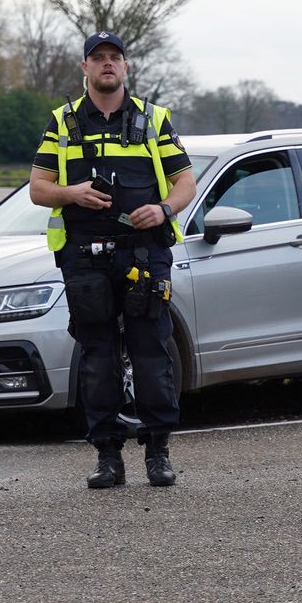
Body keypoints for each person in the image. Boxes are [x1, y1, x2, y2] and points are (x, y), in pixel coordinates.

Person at [30, 33, 198, 490]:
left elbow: (186, 182)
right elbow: (38, 187)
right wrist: (72, 194)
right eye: (98, 58)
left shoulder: (153, 119)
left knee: (151, 355)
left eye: (115, 58)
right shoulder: (63, 122)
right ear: (84, 67)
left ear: (126, 67)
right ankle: (108, 457)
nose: (107, 65)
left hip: (144, 254)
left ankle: (158, 452)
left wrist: (164, 209)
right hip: (84, 258)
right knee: (98, 358)